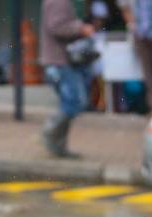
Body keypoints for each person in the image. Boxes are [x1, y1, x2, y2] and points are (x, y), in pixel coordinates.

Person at [40, 0, 96, 158]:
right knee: (74, 102)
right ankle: (51, 132)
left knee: (70, 102)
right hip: (59, 62)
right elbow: (57, 27)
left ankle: (59, 146)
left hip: (59, 61)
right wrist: (81, 28)